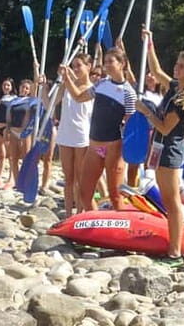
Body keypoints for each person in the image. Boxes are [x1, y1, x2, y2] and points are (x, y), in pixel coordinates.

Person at [134, 29, 184, 266]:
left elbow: (166, 128)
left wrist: (146, 111)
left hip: (170, 151)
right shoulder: (176, 87)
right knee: (169, 200)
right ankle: (172, 247)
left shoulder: (183, 99)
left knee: (172, 201)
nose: (176, 69)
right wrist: (150, 45)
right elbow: (156, 71)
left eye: (181, 67)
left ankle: (175, 252)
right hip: (161, 149)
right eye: (176, 65)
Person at [60, 47, 136, 211]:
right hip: (95, 145)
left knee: (115, 195)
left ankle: (120, 229)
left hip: (113, 147)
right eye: (105, 61)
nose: (106, 65)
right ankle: (93, 224)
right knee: (84, 194)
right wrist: (67, 78)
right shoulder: (101, 84)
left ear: (122, 64)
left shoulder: (129, 92)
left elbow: (131, 126)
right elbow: (79, 97)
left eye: (111, 62)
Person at [54, 54, 94, 215]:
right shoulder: (66, 85)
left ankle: (80, 213)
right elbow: (50, 102)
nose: (76, 69)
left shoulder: (93, 88)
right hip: (65, 133)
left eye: (79, 65)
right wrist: (43, 85)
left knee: (80, 178)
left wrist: (67, 76)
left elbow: (79, 96)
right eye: (74, 66)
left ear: (88, 66)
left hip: (82, 135)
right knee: (68, 178)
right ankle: (68, 214)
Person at [6, 77, 39, 187]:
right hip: (14, 130)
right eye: (22, 87)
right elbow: (9, 116)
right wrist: (8, 128)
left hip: (25, 132)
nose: (24, 89)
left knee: (26, 158)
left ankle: (27, 181)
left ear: (29, 90)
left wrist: (36, 69)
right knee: (13, 158)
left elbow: (36, 85)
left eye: (26, 88)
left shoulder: (31, 100)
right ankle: (17, 182)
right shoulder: (13, 101)